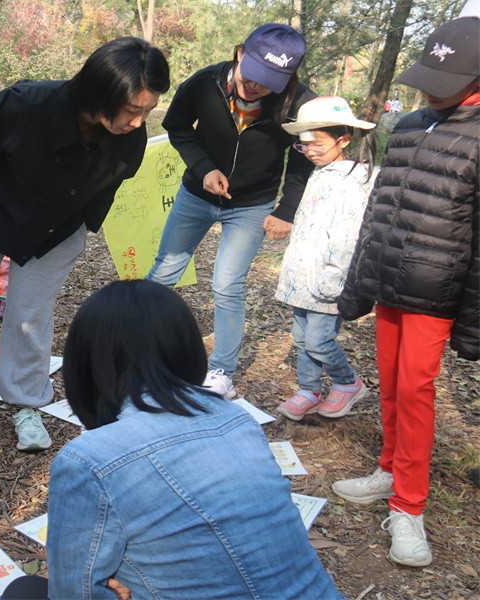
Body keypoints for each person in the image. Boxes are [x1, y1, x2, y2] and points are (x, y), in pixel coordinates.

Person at [4, 280, 343, 598]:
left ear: (86, 365)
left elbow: (74, 592)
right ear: (188, 350)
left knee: (24, 592)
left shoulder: (90, 460)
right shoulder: (236, 419)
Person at [0, 37, 171, 452]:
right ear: (101, 91)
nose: (138, 121)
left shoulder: (130, 135)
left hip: (56, 228)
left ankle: (26, 401)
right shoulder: (30, 102)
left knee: (30, 314)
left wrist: (84, 226)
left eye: (147, 110)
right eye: (132, 109)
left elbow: (112, 181)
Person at [333, 17, 479, 568]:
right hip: (389, 281)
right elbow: (378, 209)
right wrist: (359, 282)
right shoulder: (411, 124)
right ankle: (389, 469)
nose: (430, 91)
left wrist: (472, 320)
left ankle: (409, 506)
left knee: (416, 391)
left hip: (436, 291)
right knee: (392, 384)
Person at [147, 23, 316, 399]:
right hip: (196, 195)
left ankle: (222, 370)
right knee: (164, 271)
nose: (255, 86)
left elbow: (303, 159)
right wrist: (203, 167)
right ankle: (134, 345)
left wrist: (287, 210)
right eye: (251, 74)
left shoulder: (298, 104)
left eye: (268, 82)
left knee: (227, 285)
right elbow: (177, 126)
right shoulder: (205, 82)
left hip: (251, 205)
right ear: (240, 54)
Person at [274, 96, 377, 420]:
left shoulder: (352, 182)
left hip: (328, 281)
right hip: (304, 276)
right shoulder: (320, 172)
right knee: (301, 338)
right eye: (304, 145)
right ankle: (309, 389)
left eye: (318, 144)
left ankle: (348, 383)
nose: (310, 151)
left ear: (343, 140)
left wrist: (334, 278)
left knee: (319, 340)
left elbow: (349, 236)